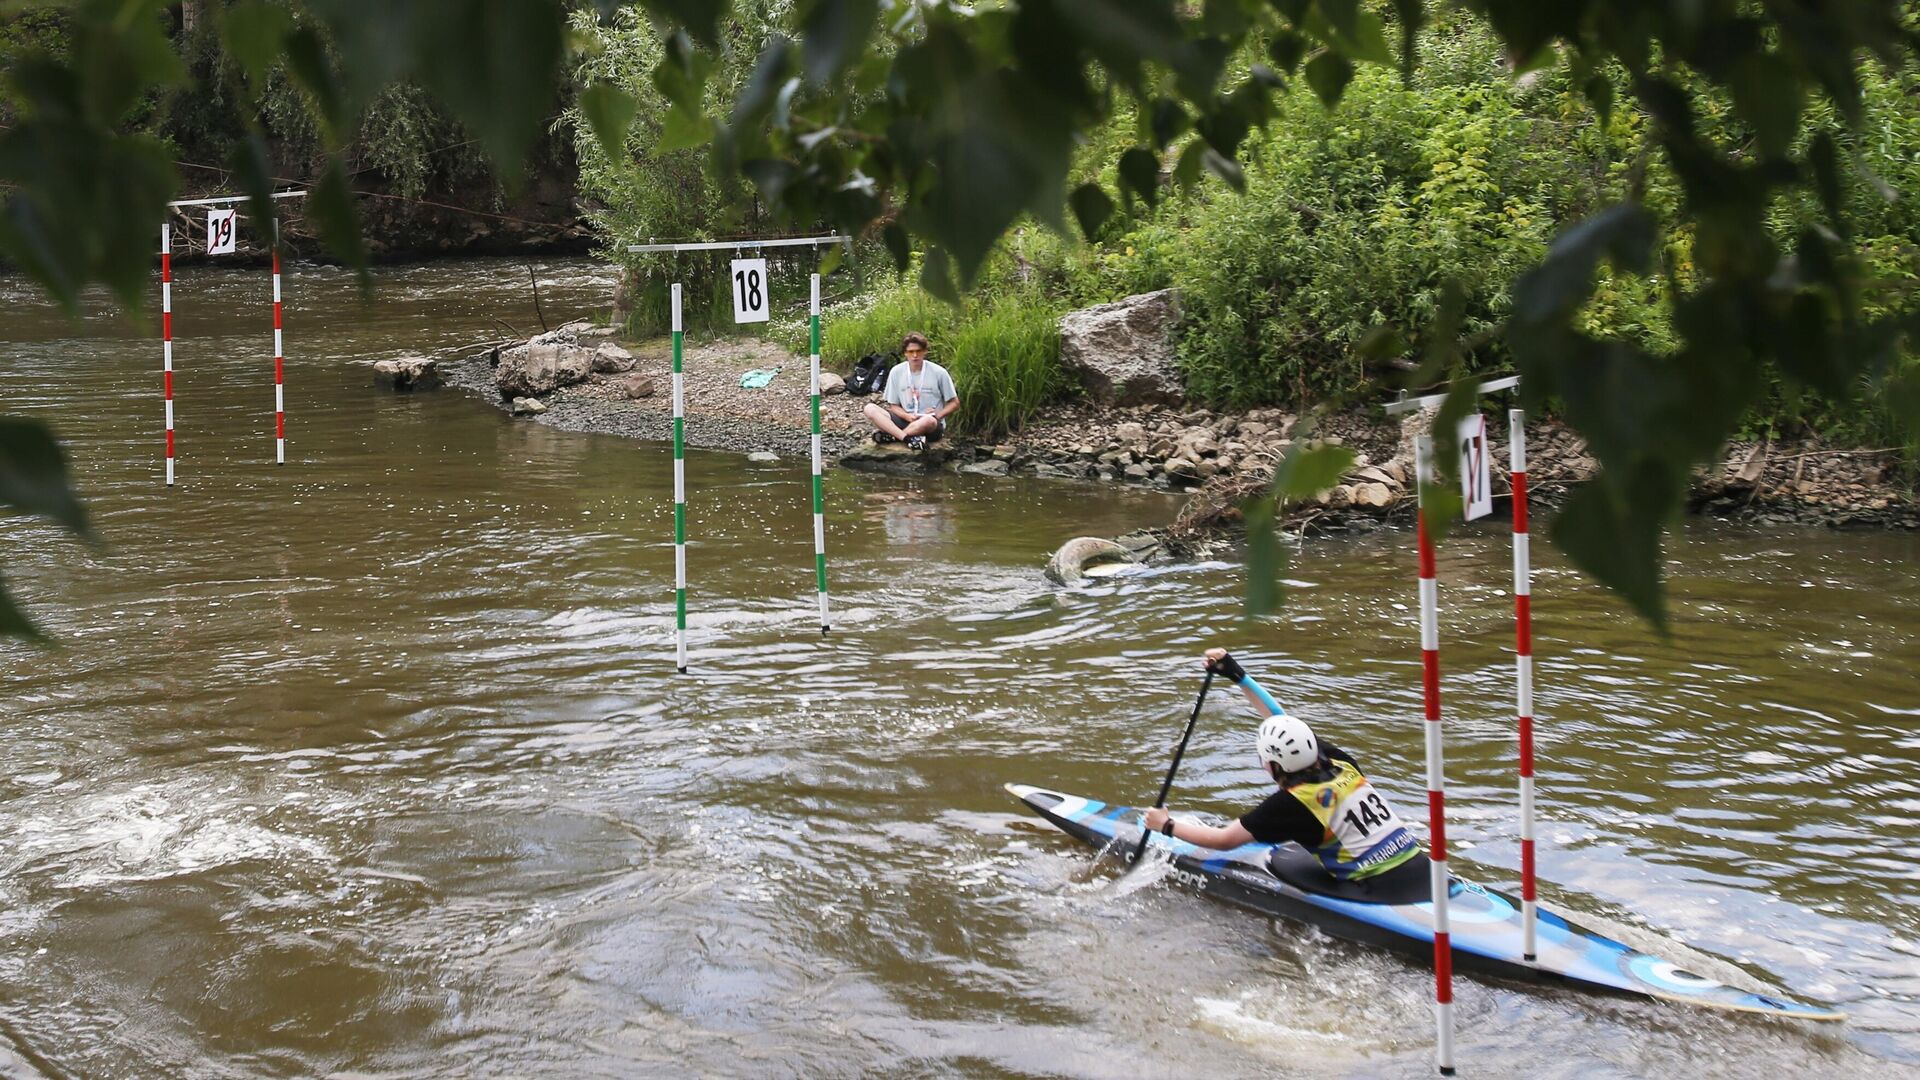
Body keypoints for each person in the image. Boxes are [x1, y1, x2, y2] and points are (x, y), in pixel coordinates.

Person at [1142, 647, 1429, 897]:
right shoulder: (1341, 762)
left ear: (1274, 766)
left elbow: (1224, 841)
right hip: (1421, 868)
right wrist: (1237, 675)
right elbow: (1283, 720)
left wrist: (1166, 825)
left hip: (1379, 887)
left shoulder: (1292, 803)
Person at [862, 332, 957, 450]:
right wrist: (906, 416)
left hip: (929, 422)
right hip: (906, 418)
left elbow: (954, 402)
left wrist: (939, 414)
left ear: (925, 352)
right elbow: (893, 406)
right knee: (869, 408)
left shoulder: (939, 372)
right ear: (905, 353)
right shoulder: (896, 371)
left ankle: (893, 436)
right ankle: (908, 438)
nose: (915, 355)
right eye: (911, 352)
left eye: (918, 351)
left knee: (928, 421)